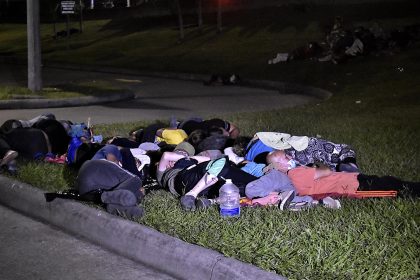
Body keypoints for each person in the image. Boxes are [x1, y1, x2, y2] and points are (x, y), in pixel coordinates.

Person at [266, 150, 420, 198]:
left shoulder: (295, 173)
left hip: (353, 180)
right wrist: (317, 164)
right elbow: (326, 171)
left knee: (391, 182)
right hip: (353, 187)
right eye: (286, 157)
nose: (291, 157)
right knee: (394, 189)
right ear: (279, 165)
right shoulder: (294, 173)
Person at [241, 132, 358, 172]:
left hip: (287, 155)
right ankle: (349, 164)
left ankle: (339, 169)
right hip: (295, 147)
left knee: (309, 166)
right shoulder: (259, 139)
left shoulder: (250, 155)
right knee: (341, 150)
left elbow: (244, 164)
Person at [76, 158, 145, 218]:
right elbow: (134, 179)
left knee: (129, 196)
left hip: (84, 189)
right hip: (92, 183)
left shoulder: (111, 165)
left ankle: (111, 206)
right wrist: (140, 194)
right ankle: (106, 198)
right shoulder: (131, 176)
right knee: (137, 181)